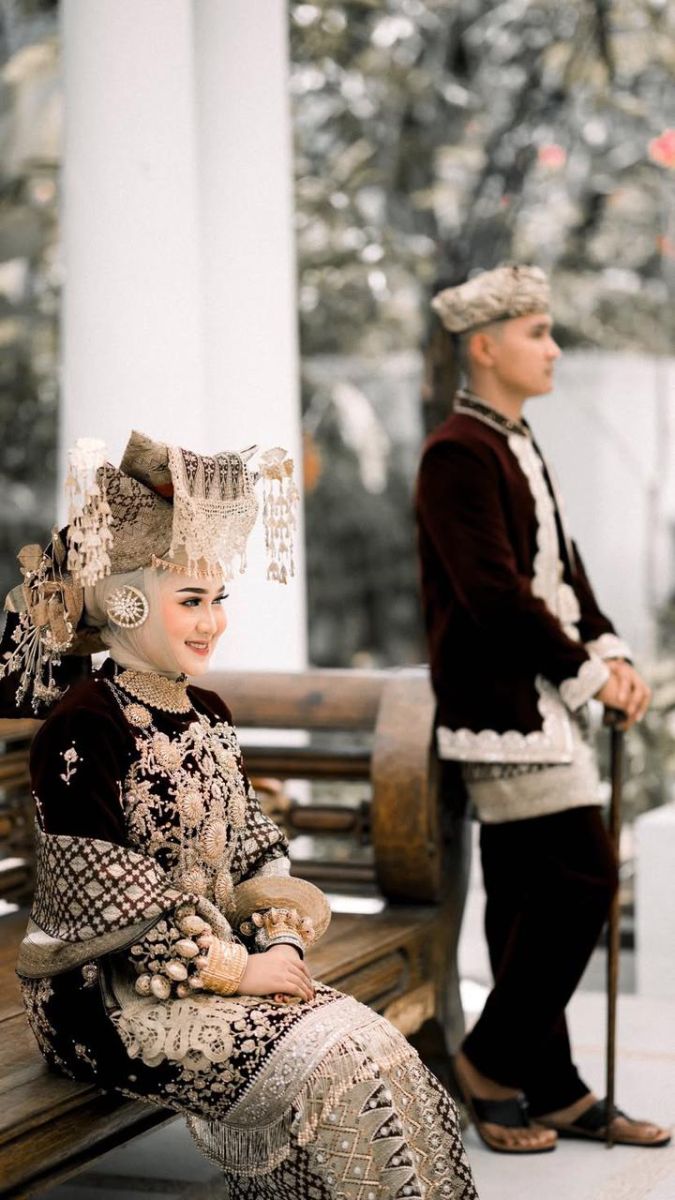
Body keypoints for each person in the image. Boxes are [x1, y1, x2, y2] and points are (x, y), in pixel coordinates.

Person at [4, 429, 477, 1200]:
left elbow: (256, 845)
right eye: (190, 602)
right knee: (331, 1065)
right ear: (124, 602)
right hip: (102, 995)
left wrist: (280, 938)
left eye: (217, 600)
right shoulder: (83, 724)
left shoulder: (208, 712)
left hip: (213, 964)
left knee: (376, 1051)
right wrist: (237, 969)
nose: (212, 622)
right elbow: (108, 902)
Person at [415, 265, 671, 1155]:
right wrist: (584, 674)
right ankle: (489, 1063)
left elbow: (563, 571)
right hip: (502, 708)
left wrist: (610, 653)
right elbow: (491, 593)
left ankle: (551, 1087)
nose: (554, 348)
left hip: (541, 698)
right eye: (537, 333)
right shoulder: (456, 452)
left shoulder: (512, 440)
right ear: (485, 347)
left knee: (526, 897)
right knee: (583, 879)